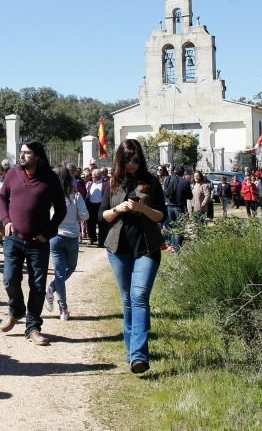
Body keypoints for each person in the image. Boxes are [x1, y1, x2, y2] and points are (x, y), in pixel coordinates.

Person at [99, 139, 166, 374]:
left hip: (147, 248)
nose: (132, 163)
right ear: (120, 159)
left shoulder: (151, 181)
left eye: (136, 159)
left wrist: (142, 209)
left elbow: (161, 216)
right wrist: (119, 209)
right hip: (118, 249)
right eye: (127, 159)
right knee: (127, 299)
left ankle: (139, 355)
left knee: (139, 296)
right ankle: (131, 352)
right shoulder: (112, 183)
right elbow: (103, 216)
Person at [0, 141, 67, 346]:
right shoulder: (12, 174)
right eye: (21, 152)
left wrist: (48, 232)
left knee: (37, 285)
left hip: (38, 242)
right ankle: (16, 310)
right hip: (13, 239)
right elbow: (2, 198)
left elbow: (61, 209)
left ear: (37, 156)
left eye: (27, 153)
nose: (22, 156)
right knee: (9, 279)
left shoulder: (49, 178)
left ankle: (33, 327)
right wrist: (6, 221)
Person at [45, 166, 88, 321]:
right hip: (71, 237)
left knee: (60, 274)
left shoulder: (49, 196)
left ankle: (55, 294)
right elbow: (85, 215)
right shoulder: (75, 196)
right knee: (69, 269)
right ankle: (63, 308)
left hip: (55, 237)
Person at [162, 165, 191, 251]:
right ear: (183, 172)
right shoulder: (185, 182)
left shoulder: (169, 180)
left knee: (171, 227)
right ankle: (177, 247)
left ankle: (172, 245)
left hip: (169, 206)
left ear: (175, 172)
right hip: (179, 207)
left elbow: (165, 193)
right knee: (180, 227)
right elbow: (190, 196)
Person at [86, 168, 108, 247]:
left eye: (92, 176)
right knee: (90, 223)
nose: (91, 177)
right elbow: (87, 193)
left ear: (97, 176)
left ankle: (101, 242)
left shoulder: (105, 183)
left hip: (101, 206)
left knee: (101, 224)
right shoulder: (90, 183)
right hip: (91, 206)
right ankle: (92, 239)